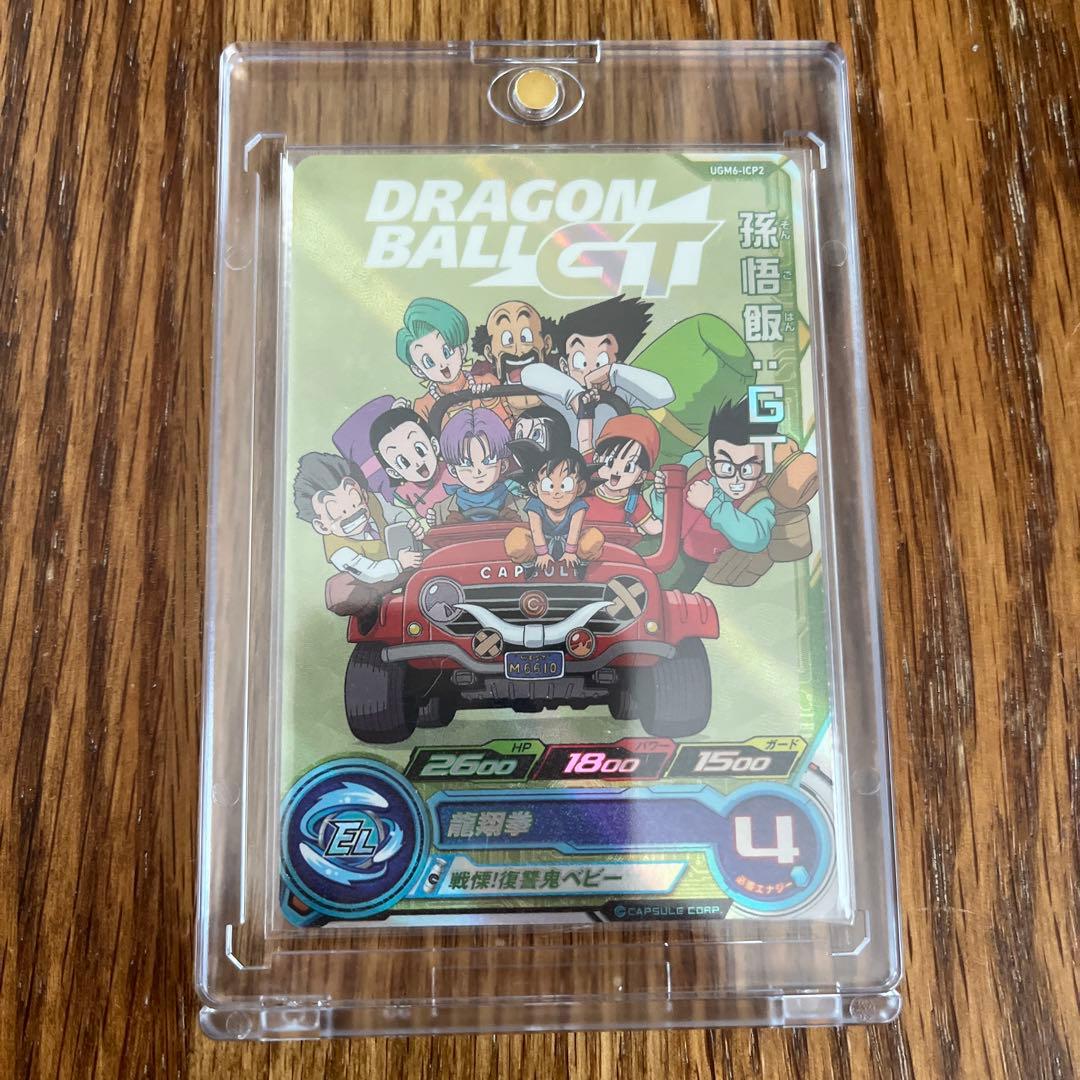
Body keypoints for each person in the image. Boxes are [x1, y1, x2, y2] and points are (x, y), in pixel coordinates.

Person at [651, 397, 777, 592]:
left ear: (762, 471)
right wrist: (661, 493)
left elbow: (756, 538)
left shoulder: (758, 501)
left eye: (747, 469)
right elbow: (660, 512)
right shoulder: (692, 465)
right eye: (726, 467)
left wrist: (713, 505)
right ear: (711, 464)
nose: (736, 479)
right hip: (657, 541)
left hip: (691, 564)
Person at [526, 295, 675, 449]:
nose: (591, 370)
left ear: (618, 362)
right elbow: (529, 373)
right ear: (564, 366)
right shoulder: (559, 387)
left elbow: (664, 394)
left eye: (601, 361)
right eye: (581, 361)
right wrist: (574, 395)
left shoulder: (620, 392)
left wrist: (613, 372)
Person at [292, 453, 424, 613]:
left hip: (408, 560)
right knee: (339, 591)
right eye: (337, 512)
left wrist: (410, 525)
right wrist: (399, 564)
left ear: (363, 494)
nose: (352, 512)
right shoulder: (338, 550)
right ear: (322, 526)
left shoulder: (374, 501)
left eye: (355, 500)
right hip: (376, 576)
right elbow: (369, 572)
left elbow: (396, 514)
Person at [395, 297, 506, 421]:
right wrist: (400, 418)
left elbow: (509, 425)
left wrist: (490, 400)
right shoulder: (423, 406)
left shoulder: (486, 383)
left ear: (462, 349)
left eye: (447, 352)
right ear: (418, 370)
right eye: (429, 362)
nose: (442, 364)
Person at [504, 448, 604, 578]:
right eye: (548, 485)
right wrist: (542, 553)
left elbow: (575, 529)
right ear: (534, 488)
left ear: (580, 487)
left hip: (572, 544)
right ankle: (529, 566)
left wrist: (570, 552)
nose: (556, 492)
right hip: (540, 543)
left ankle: (582, 564)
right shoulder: (535, 504)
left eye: (565, 485)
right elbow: (535, 530)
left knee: (594, 536)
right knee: (515, 538)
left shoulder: (578, 505)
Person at [427, 408, 524, 525]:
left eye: (488, 461)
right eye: (467, 463)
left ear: (503, 465)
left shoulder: (522, 507)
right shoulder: (440, 511)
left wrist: (520, 525)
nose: (478, 471)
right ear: (453, 470)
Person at [369, 405, 451, 527]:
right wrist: (427, 524)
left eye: (420, 450)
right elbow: (410, 524)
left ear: (434, 445)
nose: (417, 462)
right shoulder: (403, 495)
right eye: (403, 461)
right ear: (394, 472)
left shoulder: (452, 468)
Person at [585, 414, 662, 536]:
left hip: (616, 546)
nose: (617, 471)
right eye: (610, 462)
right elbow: (584, 441)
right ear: (596, 458)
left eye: (628, 467)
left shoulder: (633, 501)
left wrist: (664, 495)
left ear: (641, 476)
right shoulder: (586, 484)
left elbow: (654, 528)